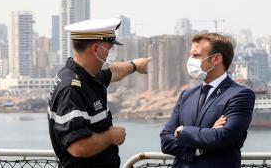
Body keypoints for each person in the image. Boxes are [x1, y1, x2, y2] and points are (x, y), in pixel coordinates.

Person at [48, 18, 150, 168]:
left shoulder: (87, 75)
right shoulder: (72, 89)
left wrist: (135, 66)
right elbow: (78, 147)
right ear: (96, 49)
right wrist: (111, 137)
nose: (112, 53)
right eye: (109, 49)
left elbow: (113, 72)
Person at [160, 33, 255, 168]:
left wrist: (182, 131)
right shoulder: (186, 95)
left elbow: (222, 137)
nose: (191, 60)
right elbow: (165, 141)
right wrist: (197, 149)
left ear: (216, 58)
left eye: (197, 56)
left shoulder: (240, 95)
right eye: (191, 55)